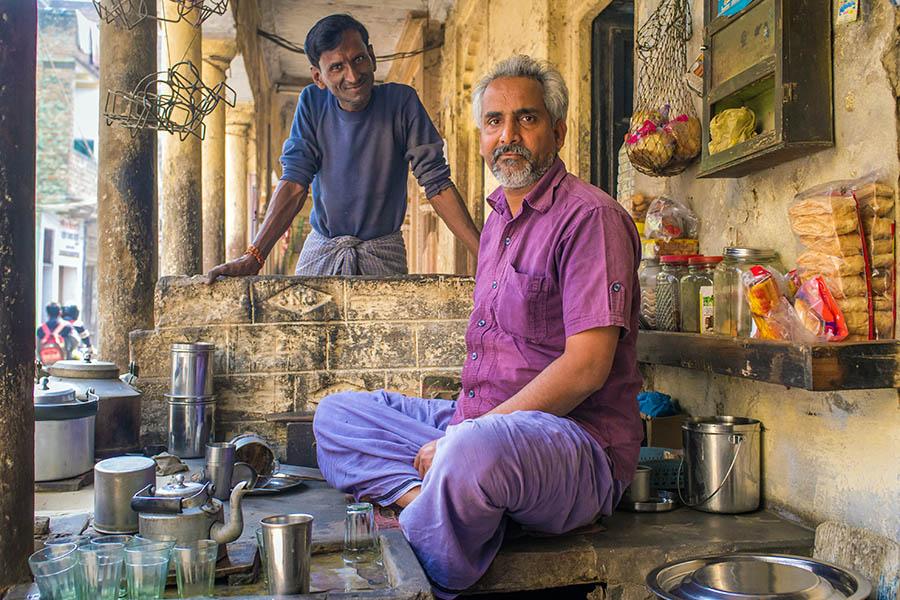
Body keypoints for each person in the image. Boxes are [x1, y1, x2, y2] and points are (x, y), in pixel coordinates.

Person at [312, 55, 643, 598]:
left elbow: (586, 369)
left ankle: (425, 559)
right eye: (494, 122)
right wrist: (463, 430)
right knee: (336, 415)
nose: (508, 135)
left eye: (527, 119)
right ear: (482, 137)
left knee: (472, 454)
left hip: (575, 445)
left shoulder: (590, 219)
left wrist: (464, 438)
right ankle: (433, 500)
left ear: (558, 132)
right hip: (476, 425)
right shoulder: (496, 223)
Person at [207, 14, 480, 281]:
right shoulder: (312, 103)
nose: (352, 75)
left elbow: (437, 183)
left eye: (358, 59)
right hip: (323, 249)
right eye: (337, 67)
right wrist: (253, 257)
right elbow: (294, 182)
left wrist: (485, 257)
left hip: (383, 253)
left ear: (371, 56)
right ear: (319, 77)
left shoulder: (401, 102)